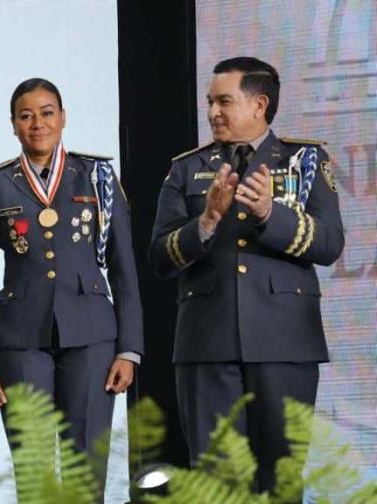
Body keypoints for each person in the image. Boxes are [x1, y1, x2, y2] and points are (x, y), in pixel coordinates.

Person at [148, 56, 344, 491]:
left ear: (259, 104)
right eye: (209, 102)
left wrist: (270, 214)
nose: (213, 112)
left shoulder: (305, 160)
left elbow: (330, 244)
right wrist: (207, 222)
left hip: (285, 342)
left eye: (224, 102)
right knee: (218, 483)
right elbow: (159, 258)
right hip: (206, 344)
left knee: (281, 479)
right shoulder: (186, 168)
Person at [0, 78, 143, 488]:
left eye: (47, 113)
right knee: (34, 474)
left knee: (86, 474)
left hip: (92, 337)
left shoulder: (96, 177)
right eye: (26, 116)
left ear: (63, 118)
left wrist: (129, 350)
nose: (37, 123)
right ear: (13, 124)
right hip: (18, 339)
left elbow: (124, 269)